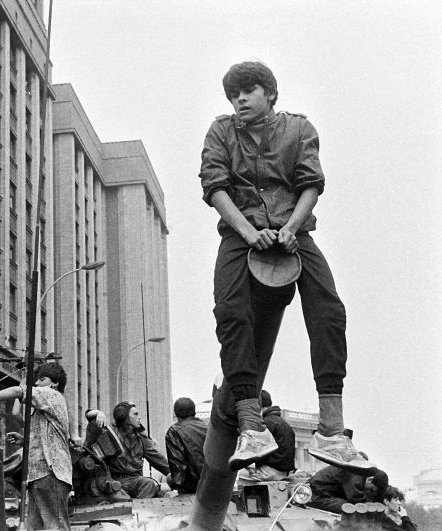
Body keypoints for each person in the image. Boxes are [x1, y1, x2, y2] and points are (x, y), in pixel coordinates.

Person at [190, 61, 375, 529]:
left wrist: (291, 228)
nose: (239, 100)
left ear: (269, 93)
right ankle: (250, 426)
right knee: (231, 312)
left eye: (248, 91)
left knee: (329, 310)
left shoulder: (299, 129)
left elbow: (310, 183)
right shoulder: (221, 131)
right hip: (241, 234)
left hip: (295, 232)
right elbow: (215, 187)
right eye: (233, 95)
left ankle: (332, 429)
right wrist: (249, 232)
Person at [0, 362, 72, 531]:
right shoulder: (44, 407)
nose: (37, 383)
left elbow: (18, 391)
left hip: (50, 473)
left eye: (42, 379)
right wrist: (25, 441)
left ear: (55, 383)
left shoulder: (53, 395)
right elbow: (47, 438)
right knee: (34, 527)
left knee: (56, 526)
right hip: (39, 475)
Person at [85, 402, 170, 499]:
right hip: (114, 480)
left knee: (148, 484)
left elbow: (158, 460)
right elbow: (90, 421)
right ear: (123, 416)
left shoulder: (141, 439)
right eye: (135, 414)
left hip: (135, 480)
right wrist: (97, 413)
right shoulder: (110, 434)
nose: (139, 417)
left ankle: (139, 507)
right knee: (117, 496)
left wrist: (175, 473)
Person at [241, 389, 295, 481]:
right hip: (283, 472)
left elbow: (260, 454)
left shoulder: (265, 424)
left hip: (269, 472)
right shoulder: (284, 423)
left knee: (235, 473)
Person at [164, 397, 207, 494]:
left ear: (176, 413)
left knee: (169, 478)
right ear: (194, 411)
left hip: (194, 484)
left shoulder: (174, 430)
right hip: (212, 481)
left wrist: (176, 490)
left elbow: (177, 462)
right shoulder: (206, 427)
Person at [307, 464, 389, 514]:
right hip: (316, 497)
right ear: (370, 479)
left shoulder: (360, 470)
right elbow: (355, 497)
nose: (368, 491)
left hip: (323, 494)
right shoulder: (357, 472)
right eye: (371, 489)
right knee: (349, 508)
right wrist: (371, 506)